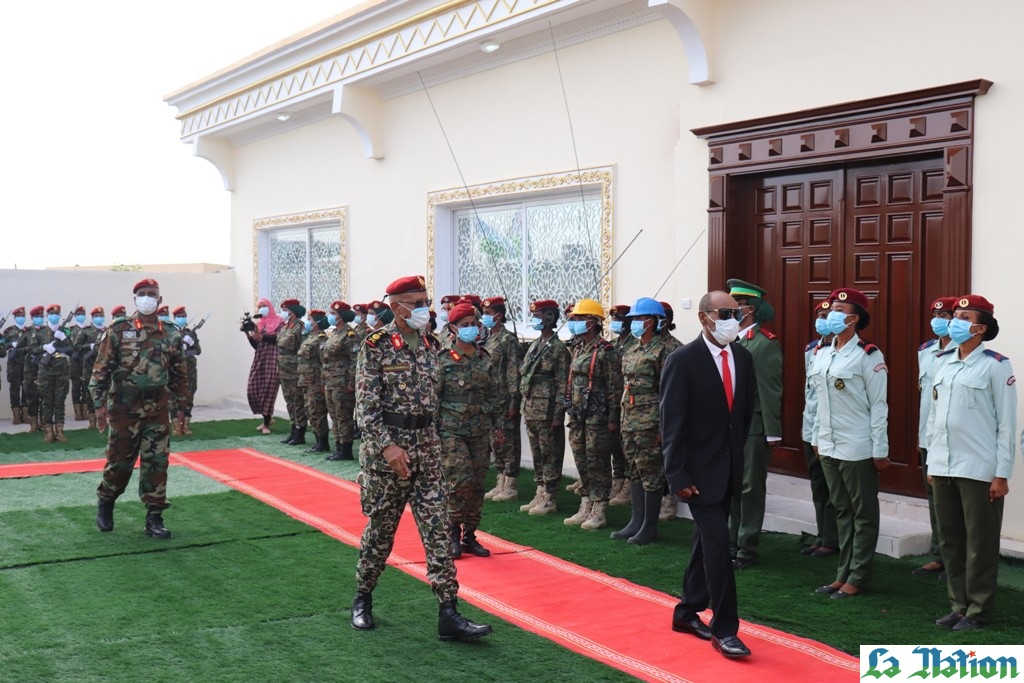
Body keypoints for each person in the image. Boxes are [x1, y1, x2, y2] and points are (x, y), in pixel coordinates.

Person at [351, 275, 492, 641]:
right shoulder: (376, 345)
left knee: (438, 531)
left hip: (428, 450)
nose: (423, 309)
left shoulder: (431, 344)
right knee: (381, 532)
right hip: (388, 456)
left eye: (425, 301)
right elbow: (365, 408)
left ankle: (449, 612)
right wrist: (388, 446)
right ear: (395, 306)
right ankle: (363, 597)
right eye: (415, 302)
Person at [661, 290, 755, 658]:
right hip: (696, 476)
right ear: (704, 318)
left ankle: (686, 612)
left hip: (728, 471)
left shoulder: (743, 359)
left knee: (705, 544)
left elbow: (743, 417)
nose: (734, 318)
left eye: (737, 312)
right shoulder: (682, 360)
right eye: (726, 312)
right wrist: (677, 475)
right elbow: (672, 423)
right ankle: (726, 629)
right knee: (718, 548)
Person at [927, 294, 1016, 632]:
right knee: (950, 539)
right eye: (956, 316)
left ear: (980, 327)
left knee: (980, 543)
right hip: (945, 465)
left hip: (979, 469)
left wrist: (1001, 474)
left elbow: (1007, 424)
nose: (955, 321)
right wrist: (934, 463)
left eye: (964, 317)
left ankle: (978, 610)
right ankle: (958, 604)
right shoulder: (943, 361)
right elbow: (936, 417)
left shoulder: (996, 365)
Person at [91, 278, 188, 540]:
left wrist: (182, 408)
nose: (147, 298)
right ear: (135, 299)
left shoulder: (170, 332)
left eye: (152, 294)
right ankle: (106, 501)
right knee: (120, 462)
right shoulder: (118, 330)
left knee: (157, 463)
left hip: (157, 409)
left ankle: (154, 517)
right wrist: (99, 406)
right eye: (142, 294)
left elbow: (180, 373)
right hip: (124, 410)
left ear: (159, 299)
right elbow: (101, 370)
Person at [810, 287, 889, 599]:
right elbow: (818, 400)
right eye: (831, 310)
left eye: (839, 311)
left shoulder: (868, 355)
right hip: (828, 444)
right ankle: (842, 573)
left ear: (854, 319)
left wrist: (880, 449)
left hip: (857, 446)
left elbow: (879, 405)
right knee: (842, 510)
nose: (831, 315)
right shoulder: (823, 352)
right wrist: (817, 437)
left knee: (863, 513)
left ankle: (859, 576)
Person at [436, 302, 504, 557]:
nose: (472, 329)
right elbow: (434, 397)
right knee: (459, 481)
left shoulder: (485, 358)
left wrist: (497, 426)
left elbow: (495, 394)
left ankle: (470, 535)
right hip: (451, 430)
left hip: (479, 429)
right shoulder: (443, 359)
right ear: (453, 329)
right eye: (465, 325)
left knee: (477, 483)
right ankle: (451, 532)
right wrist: (432, 432)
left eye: (474, 324)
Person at [726, 279, 783, 570]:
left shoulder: (764, 345)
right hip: (733, 425)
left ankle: (746, 548)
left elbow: (771, 391)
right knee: (733, 485)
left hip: (755, 425)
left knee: (749, 489)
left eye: (736, 305)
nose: (731, 310)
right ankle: (732, 540)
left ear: (750, 309)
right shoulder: (733, 341)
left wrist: (772, 432)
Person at [612, 297, 671, 545]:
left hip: (651, 421)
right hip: (630, 417)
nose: (636, 323)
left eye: (640, 318)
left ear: (656, 321)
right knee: (633, 469)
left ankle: (649, 526)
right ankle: (636, 521)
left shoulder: (667, 349)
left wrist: (661, 427)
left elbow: (668, 392)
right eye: (633, 319)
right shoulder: (633, 348)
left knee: (651, 472)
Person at [562, 298, 622, 531]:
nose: (575, 322)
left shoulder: (606, 351)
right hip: (578, 414)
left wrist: (613, 419)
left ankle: (599, 507)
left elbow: (614, 386)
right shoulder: (577, 348)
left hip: (598, 416)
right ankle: (586, 500)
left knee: (597, 460)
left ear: (593, 321)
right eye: (574, 319)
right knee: (581, 458)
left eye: (580, 319)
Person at [913, 296, 958, 578]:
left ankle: (956, 559)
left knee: (953, 501)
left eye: (946, 316)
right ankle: (938, 554)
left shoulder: (963, 351)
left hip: (952, 438)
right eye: (936, 315)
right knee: (935, 499)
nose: (939, 321)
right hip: (928, 435)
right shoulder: (926, 350)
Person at [518, 299, 570, 516]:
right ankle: (540, 490)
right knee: (538, 453)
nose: (534, 320)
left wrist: (558, 414)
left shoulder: (558, 349)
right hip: (531, 409)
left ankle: (550, 495)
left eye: (538, 316)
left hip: (548, 411)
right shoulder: (535, 345)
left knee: (550, 453)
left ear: (549, 318)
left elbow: (562, 384)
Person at [800, 299, 838, 558]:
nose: (823, 321)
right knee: (817, 486)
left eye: (828, 315)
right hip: (810, 426)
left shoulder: (848, 352)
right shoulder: (812, 349)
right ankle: (822, 533)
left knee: (833, 488)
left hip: (830, 430)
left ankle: (833, 539)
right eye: (821, 315)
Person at [481, 296, 523, 503]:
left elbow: (513, 371)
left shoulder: (508, 340)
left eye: (488, 314)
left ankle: (511, 482)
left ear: (498, 315)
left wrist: (514, 400)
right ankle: (500, 478)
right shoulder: (489, 338)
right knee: (495, 440)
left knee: (508, 439)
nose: (484, 317)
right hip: (491, 399)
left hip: (505, 397)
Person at [322, 300, 359, 461]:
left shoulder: (349, 334)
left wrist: (351, 382)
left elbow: (354, 360)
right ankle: (338, 446)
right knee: (334, 415)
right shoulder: (335, 333)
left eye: (334, 314)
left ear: (341, 316)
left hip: (343, 382)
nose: (331, 316)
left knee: (344, 415)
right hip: (331, 381)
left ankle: (346, 449)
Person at [607, 303, 634, 507]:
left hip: (631, 402)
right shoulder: (614, 345)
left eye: (619, 319)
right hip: (614, 399)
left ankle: (628, 483)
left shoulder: (635, 344)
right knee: (615, 444)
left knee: (627, 446)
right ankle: (618, 480)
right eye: (613, 319)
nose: (615, 323)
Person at [35, 304, 74, 442]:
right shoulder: (39, 332)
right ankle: (48, 432)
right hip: (45, 372)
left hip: (62, 370)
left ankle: (60, 431)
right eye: (51, 313)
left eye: (57, 313)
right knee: (47, 402)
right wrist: (44, 347)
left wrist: (63, 339)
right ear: (47, 316)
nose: (54, 316)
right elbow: (32, 349)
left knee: (59, 402)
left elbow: (72, 351)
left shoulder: (66, 332)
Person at [245, 298, 283, 434]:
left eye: (264, 306)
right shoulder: (259, 324)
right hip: (260, 358)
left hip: (273, 359)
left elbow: (280, 339)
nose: (261, 308)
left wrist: (263, 337)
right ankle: (267, 418)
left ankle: (266, 423)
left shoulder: (279, 322)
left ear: (270, 307)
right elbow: (257, 345)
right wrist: (247, 333)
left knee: (268, 389)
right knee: (253, 388)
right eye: (259, 306)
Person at [298, 309, 331, 453]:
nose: (308, 322)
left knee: (317, 411)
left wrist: (323, 382)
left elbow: (324, 361)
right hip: (306, 379)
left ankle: (323, 443)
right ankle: (318, 440)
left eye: (310, 319)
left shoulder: (321, 339)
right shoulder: (310, 337)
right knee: (310, 410)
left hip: (316, 380)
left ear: (317, 322)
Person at [277, 299, 308, 446]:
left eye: (285, 310)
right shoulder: (285, 327)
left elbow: (302, 350)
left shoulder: (300, 328)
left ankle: (300, 432)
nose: (283, 313)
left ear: (293, 312)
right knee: (289, 401)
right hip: (284, 370)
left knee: (298, 402)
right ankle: (292, 430)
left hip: (295, 370)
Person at [171, 306, 201, 436]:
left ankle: (186, 425)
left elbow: (198, 351)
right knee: (173, 397)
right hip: (174, 369)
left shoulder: (191, 333)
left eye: (183, 316)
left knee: (189, 395)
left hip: (189, 370)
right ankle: (176, 426)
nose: (181, 318)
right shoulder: (170, 333)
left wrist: (189, 346)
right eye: (179, 316)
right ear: (174, 318)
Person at [2, 306, 30, 424]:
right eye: (18, 316)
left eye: (22, 316)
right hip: (14, 366)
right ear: (14, 317)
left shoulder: (30, 331)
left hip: (27, 365)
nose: (20, 318)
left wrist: (21, 348)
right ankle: (16, 415)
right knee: (14, 389)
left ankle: (25, 414)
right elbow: (2, 346)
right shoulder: (8, 331)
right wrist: (10, 344)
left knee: (26, 389)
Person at [22, 305, 45, 433]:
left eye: (41, 316)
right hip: (30, 368)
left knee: (44, 396)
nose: (39, 318)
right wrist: (29, 351)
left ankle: (43, 423)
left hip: (45, 368)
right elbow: (18, 349)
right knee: (31, 396)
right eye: (37, 317)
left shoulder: (48, 331)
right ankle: (33, 424)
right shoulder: (27, 332)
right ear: (31, 318)